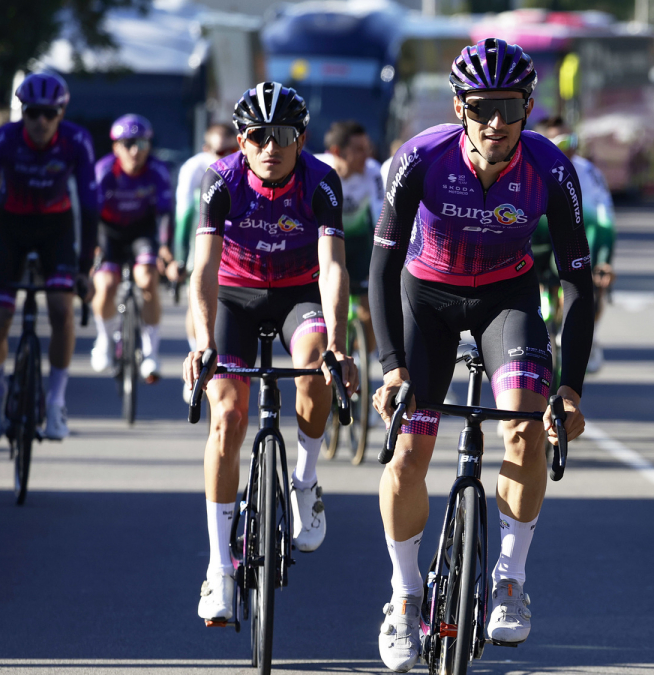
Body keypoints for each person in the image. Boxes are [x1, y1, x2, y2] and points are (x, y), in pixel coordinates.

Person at [368, 38, 591, 672]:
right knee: (411, 446)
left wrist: (569, 388)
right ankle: (404, 598)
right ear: (461, 106)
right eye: (483, 106)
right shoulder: (420, 158)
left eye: (511, 107)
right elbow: (381, 270)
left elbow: (577, 280)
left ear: (528, 108)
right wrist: (392, 366)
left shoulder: (550, 168)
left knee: (525, 426)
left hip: (507, 299)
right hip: (426, 299)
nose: (497, 121)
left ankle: (510, 580)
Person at [184, 82, 356, 624]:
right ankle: (219, 570)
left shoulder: (321, 181)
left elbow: (332, 268)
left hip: (298, 293)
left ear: (301, 138)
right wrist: (204, 342)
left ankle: (304, 483)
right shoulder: (221, 180)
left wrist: (338, 347)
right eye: (258, 135)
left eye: (282, 135)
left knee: (313, 371)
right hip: (233, 294)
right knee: (229, 417)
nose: (270, 146)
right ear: (241, 140)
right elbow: (203, 270)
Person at [0, 72, 98, 440]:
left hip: (56, 229)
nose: (40, 122)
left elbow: (90, 204)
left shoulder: (76, 141)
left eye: (48, 113)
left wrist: (85, 267)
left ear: (61, 113)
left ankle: (55, 403)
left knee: (61, 310)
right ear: (23, 112)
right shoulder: (3, 139)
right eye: (32, 113)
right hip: (11, 229)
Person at [90, 114, 175, 383]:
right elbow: (90, 214)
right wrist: (91, 247)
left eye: (141, 143)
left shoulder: (157, 171)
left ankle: (151, 353)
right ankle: (104, 339)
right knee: (105, 284)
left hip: (142, 232)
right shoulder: (103, 170)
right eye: (127, 144)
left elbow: (164, 215)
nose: (135, 150)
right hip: (109, 233)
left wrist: (164, 248)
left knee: (148, 280)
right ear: (116, 147)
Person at [539, 117, 614, 372]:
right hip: (538, 257)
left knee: (591, 297)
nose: (568, 147)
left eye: (572, 140)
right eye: (560, 141)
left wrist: (604, 259)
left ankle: (586, 341)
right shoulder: (530, 167)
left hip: (577, 254)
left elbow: (605, 221)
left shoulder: (590, 173)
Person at [173, 123, 239, 401]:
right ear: (205, 150)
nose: (224, 154)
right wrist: (179, 256)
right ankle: (197, 355)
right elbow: (184, 214)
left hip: (234, 234)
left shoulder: (243, 166)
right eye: (218, 150)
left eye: (230, 149)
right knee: (198, 290)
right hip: (200, 228)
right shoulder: (194, 168)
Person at [320, 120, 382, 354]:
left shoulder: (372, 171)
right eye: (359, 149)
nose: (367, 154)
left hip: (357, 243)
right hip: (324, 243)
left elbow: (379, 215)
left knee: (369, 314)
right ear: (337, 151)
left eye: (367, 147)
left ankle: (358, 364)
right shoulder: (317, 168)